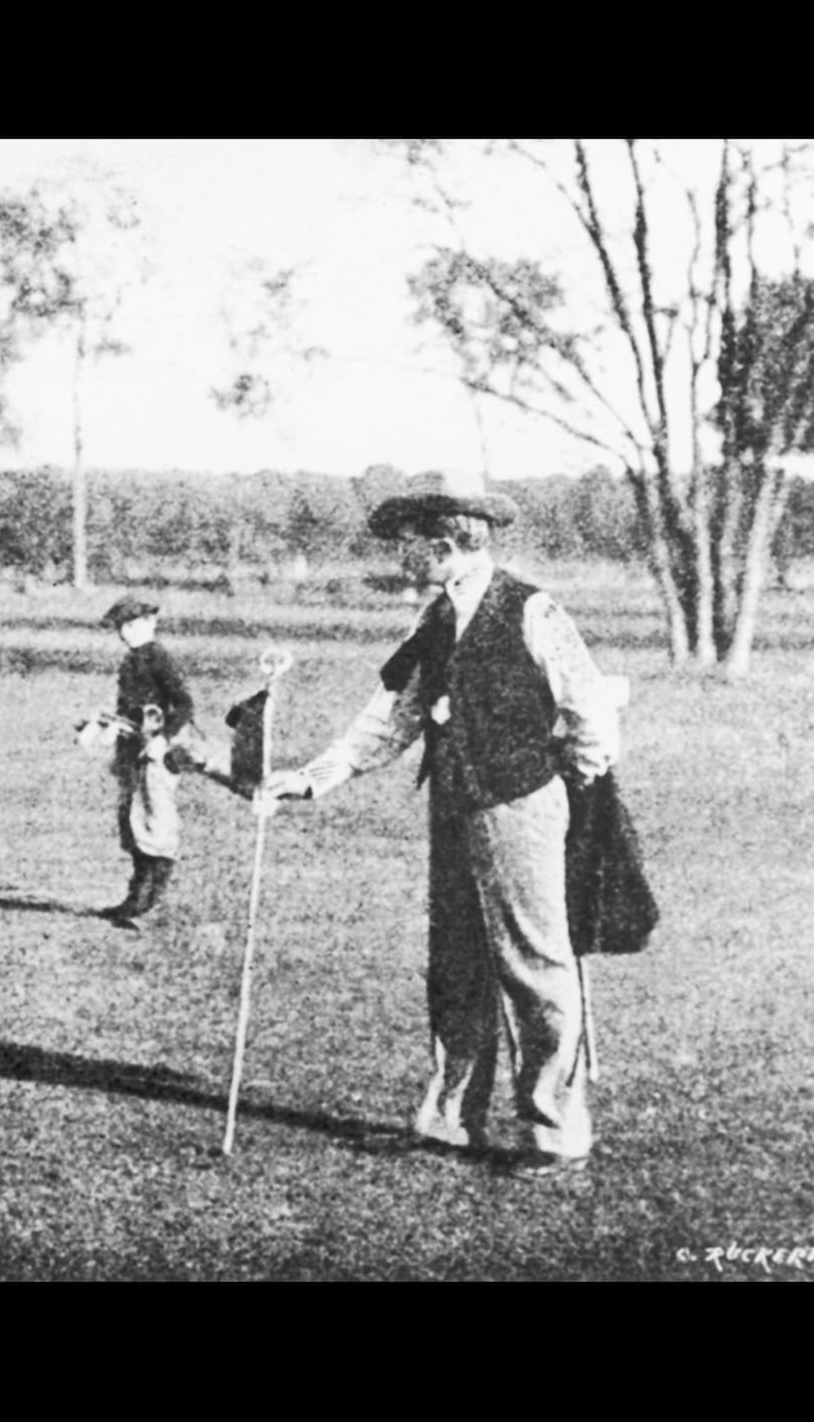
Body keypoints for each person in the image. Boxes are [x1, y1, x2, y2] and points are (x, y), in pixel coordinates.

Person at [259, 489, 622, 1180]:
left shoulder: (531, 608)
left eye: (408, 543)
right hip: (456, 807)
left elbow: (590, 710)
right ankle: (449, 1120)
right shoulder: (437, 617)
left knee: (533, 964)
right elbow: (392, 715)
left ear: (446, 545)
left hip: (519, 805)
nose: (400, 556)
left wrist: (569, 779)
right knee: (456, 963)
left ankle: (556, 1133)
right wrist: (314, 777)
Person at [80, 595, 198, 928]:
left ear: (151, 623)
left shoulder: (158, 658)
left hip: (155, 754)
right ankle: (137, 895)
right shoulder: (134, 659)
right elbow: (131, 707)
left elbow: (184, 705)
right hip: (133, 751)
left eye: (132, 625)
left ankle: (150, 900)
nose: (125, 633)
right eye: (121, 627)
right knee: (133, 821)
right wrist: (109, 727)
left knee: (155, 822)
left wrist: (162, 740)